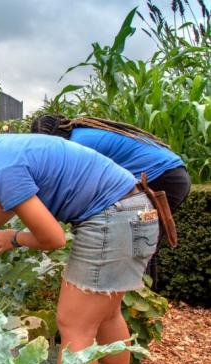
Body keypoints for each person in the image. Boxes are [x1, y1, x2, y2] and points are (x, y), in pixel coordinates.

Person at [0, 113, 159, 364]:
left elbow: (53, 239)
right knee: (106, 317)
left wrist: (15, 238)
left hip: (110, 220)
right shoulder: (0, 149)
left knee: (74, 326)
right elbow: (7, 206)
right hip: (134, 210)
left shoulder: (5, 170)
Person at [31, 114, 190, 286]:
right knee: (140, 241)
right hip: (172, 173)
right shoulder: (80, 135)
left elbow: (84, 189)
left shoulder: (76, 145)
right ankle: (139, 298)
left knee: (136, 241)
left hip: (163, 177)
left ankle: (137, 299)